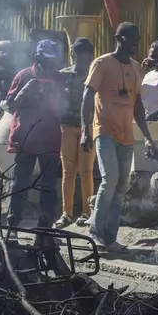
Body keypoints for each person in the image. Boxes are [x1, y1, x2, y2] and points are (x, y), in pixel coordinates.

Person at [81, 22, 158, 252]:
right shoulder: (102, 63)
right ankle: (95, 233)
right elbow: (87, 96)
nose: (136, 42)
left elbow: (137, 106)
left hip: (127, 136)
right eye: (131, 38)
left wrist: (147, 137)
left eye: (138, 38)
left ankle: (110, 237)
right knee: (110, 179)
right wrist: (85, 130)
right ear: (119, 38)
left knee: (121, 187)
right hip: (104, 132)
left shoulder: (136, 68)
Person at [5, 40, 66, 229]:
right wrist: (24, 93)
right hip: (26, 138)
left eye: (53, 61)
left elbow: (65, 107)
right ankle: (13, 223)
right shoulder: (24, 76)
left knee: (48, 185)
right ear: (37, 57)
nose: (50, 65)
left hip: (50, 139)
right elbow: (9, 104)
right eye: (46, 61)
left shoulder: (59, 79)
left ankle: (45, 226)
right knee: (20, 183)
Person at [54, 38, 96, 229]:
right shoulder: (63, 75)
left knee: (86, 172)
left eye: (87, 57)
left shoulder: (95, 74)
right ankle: (67, 213)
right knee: (68, 172)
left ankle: (87, 213)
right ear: (74, 56)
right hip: (67, 128)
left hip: (89, 128)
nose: (84, 61)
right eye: (80, 57)